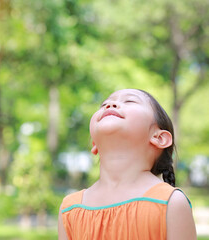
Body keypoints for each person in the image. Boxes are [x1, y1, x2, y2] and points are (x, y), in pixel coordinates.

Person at [58, 89, 197, 240]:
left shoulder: (171, 203)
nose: (110, 104)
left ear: (159, 138)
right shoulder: (70, 208)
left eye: (129, 101)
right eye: (104, 104)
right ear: (94, 144)